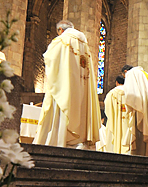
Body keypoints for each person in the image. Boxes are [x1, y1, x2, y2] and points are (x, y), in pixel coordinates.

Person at [34, 20, 101, 149]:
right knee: (80, 109)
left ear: (60, 30)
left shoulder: (61, 41)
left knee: (62, 108)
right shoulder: (85, 45)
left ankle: (60, 140)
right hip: (82, 87)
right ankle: (78, 141)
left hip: (65, 86)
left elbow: (49, 59)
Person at [122, 65, 148, 157]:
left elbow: (130, 96)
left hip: (140, 111)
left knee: (140, 139)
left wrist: (129, 110)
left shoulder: (131, 74)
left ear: (125, 71)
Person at [104, 76, 134, 154]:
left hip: (115, 122)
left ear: (117, 82)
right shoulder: (130, 92)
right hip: (127, 122)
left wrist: (113, 116)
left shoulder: (111, 93)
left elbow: (107, 109)